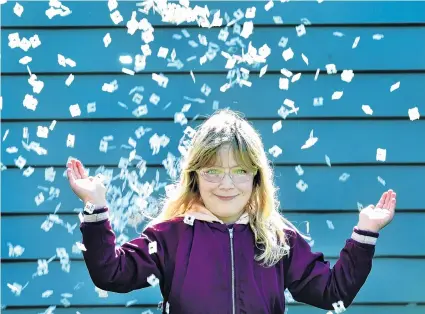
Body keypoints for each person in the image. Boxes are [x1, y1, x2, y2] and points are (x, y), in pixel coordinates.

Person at [66, 109, 397, 314]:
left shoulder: (276, 239)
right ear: (195, 175)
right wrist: (96, 208)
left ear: (256, 177)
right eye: (212, 171)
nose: (226, 184)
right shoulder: (171, 236)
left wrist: (364, 233)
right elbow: (111, 273)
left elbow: (332, 293)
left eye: (239, 171)